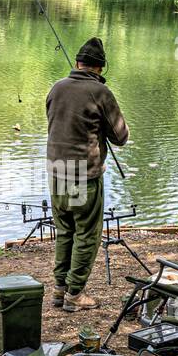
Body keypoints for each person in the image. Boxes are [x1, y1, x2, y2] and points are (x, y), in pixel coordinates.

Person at [45, 37, 129, 312]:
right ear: (100, 68)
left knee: (65, 230)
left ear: (78, 64)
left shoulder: (57, 88)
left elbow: (56, 122)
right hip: (83, 174)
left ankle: (59, 289)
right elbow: (121, 137)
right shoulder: (100, 93)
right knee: (86, 233)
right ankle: (75, 293)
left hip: (56, 171)